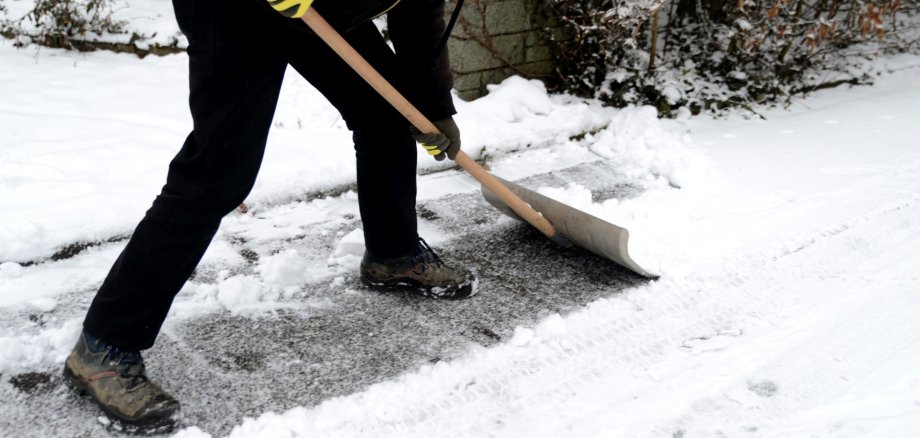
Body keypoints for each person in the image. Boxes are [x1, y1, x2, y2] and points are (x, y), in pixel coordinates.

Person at [62, 0, 475, 428]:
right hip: (234, 10)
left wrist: (432, 105)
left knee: (387, 113)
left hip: (318, 9)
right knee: (218, 172)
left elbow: (419, 12)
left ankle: (394, 255)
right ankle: (104, 346)